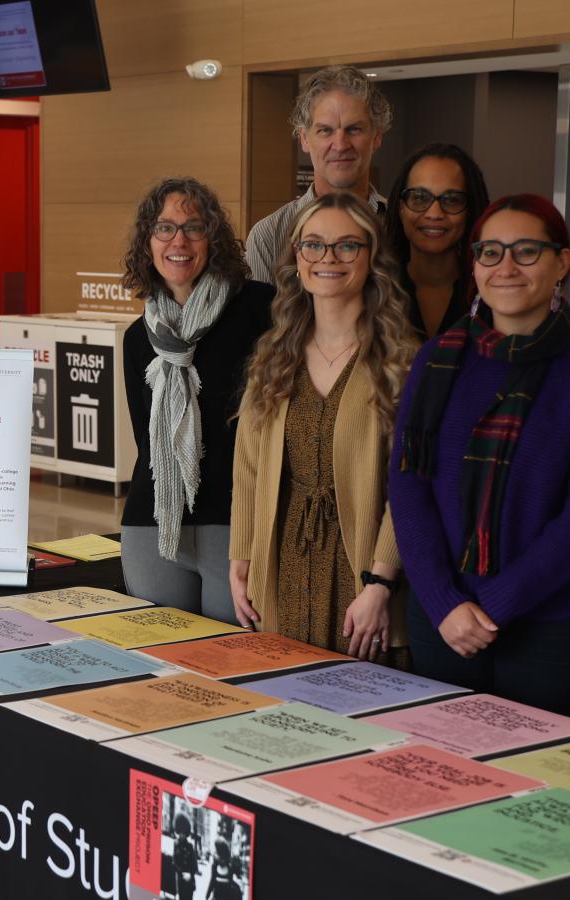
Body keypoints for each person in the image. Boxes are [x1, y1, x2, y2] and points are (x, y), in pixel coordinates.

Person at [388, 193, 570, 718]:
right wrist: (443, 600)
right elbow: (408, 487)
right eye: (491, 252)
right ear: (473, 264)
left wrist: (495, 606)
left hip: (549, 624)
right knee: (439, 775)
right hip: (442, 620)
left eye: (526, 251)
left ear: (561, 262)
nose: (506, 267)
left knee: (539, 779)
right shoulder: (438, 360)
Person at [230, 192, 418, 659]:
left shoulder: (401, 362)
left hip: (363, 572)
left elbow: (411, 483)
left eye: (347, 246)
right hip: (285, 561)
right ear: (296, 257)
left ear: (371, 257)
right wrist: (242, 557)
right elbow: (249, 466)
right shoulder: (274, 356)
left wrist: (380, 583)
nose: (328, 258)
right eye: (313, 244)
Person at [120, 177, 273, 621]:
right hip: (155, 526)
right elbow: (145, 445)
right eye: (164, 228)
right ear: (148, 242)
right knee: (159, 670)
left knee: (233, 667)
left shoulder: (258, 310)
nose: (179, 241)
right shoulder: (137, 338)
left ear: (214, 239)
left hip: (234, 528)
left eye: (194, 227)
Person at [246, 65, 393, 284]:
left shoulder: (400, 225)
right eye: (325, 130)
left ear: (376, 137)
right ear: (304, 138)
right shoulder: (269, 236)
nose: (341, 145)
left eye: (354, 129)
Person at [384, 143, 491, 339]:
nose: (434, 214)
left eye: (451, 200)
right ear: (401, 208)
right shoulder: (377, 287)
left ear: (470, 210)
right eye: (419, 198)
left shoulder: (491, 291)